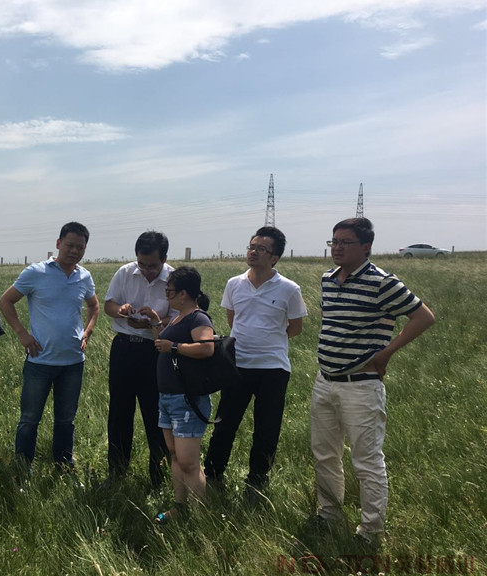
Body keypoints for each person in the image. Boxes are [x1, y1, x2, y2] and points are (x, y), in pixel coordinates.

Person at [312, 217, 435, 544]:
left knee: (366, 461)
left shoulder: (382, 282)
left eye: (345, 242)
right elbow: (330, 320)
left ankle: (370, 531)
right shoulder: (328, 279)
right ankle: (329, 514)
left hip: (361, 385)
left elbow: (423, 317)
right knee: (325, 454)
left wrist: (386, 353)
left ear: (366, 247)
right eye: (334, 241)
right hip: (325, 380)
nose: (337, 248)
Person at [204, 226, 307, 498]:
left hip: (273, 368)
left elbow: (296, 327)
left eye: (261, 249)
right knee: (224, 424)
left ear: (274, 257)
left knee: (266, 428)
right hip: (237, 365)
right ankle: (212, 475)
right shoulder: (234, 283)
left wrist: (269, 339)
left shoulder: (289, 289)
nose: (253, 252)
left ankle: (257, 482)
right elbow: (233, 319)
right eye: (251, 246)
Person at [0, 222, 100, 471]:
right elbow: (5, 301)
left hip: (73, 362)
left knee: (66, 420)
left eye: (80, 247)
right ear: (58, 243)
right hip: (40, 361)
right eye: (70, 245)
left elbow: (94, 306)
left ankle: (63, 466)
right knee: (29, 419)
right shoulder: (36, 272)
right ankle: (23, 468)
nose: (74, 251)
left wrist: (87, 332)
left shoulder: (84, 276)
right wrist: (22, 334)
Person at [139, 266, 214, 524]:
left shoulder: (198, 318)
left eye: (169, 291)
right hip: (168, 398)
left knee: (189, 462)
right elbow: (163, 344)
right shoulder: (177, 318)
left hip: (186, 400)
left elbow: (206, 348)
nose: (167, 295)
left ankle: (201, 517)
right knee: (174, 455)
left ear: (183, 294)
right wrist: (155, 322)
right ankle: (180, 507)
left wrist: (175, 347)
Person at [104, 231, 177, 488]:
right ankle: (116, 472)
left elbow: (179, 317)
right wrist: (121, 311)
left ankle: (158, 476)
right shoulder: (125, 272)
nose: (146, 271)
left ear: (164, 259)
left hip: (155, 351)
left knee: (156, 413)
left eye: (153, 266)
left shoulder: (175, 279)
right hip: (124, 348)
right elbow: (109, 305)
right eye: (142, 264)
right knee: (119, 412)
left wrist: (154, 321)